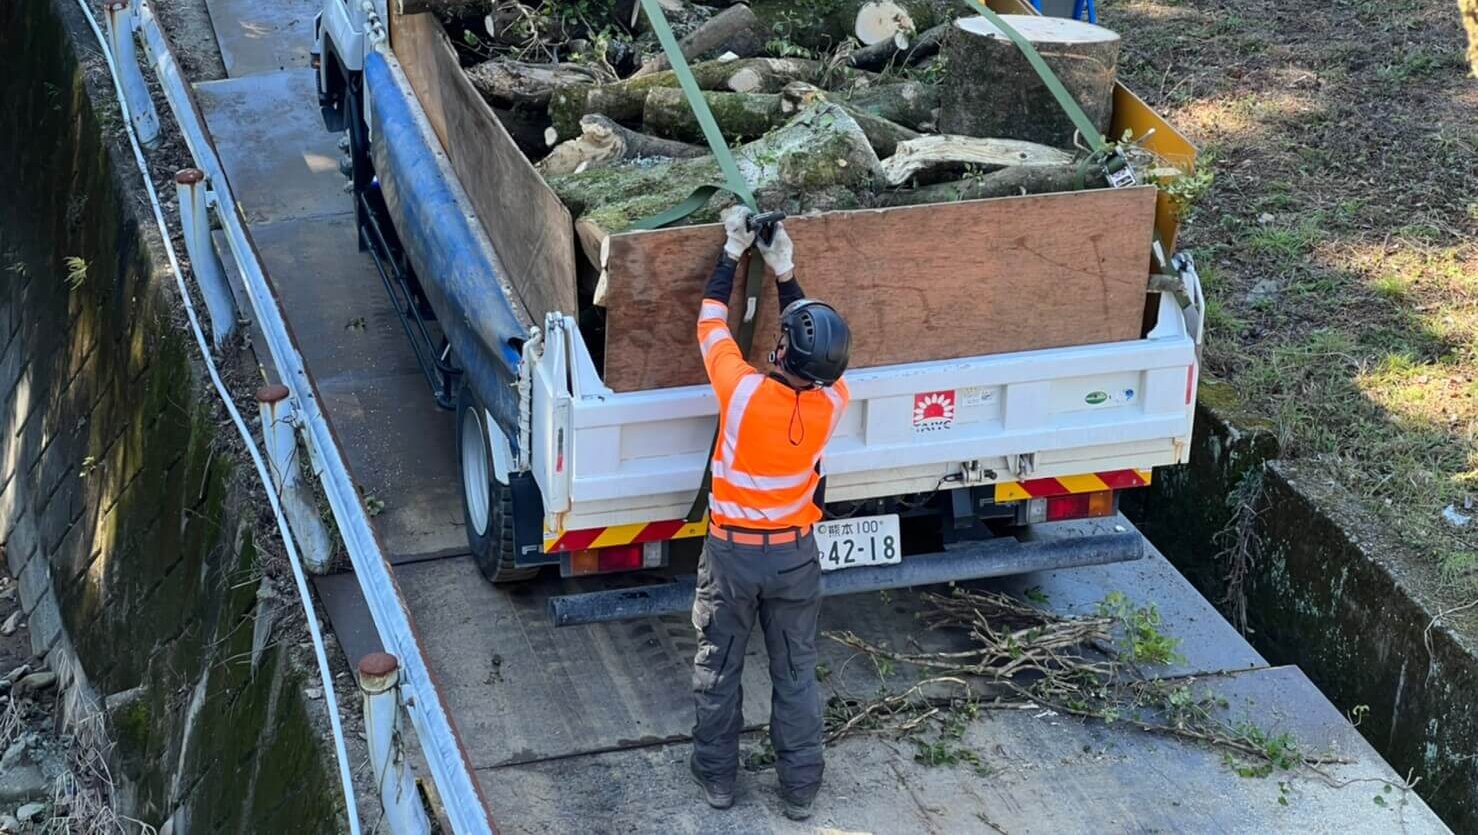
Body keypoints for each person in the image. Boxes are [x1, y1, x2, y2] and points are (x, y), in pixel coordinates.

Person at [689, 206, 852, 822]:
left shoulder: (743, 392)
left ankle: (718, 781)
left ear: (782, 347)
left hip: (732, 560)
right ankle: (800, 790)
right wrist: (787, 271)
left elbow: (710, 323)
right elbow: (820, 349)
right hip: (794, 558)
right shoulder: (833, 402)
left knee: (719, 667)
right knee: (795, 672)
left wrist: (733, 253)